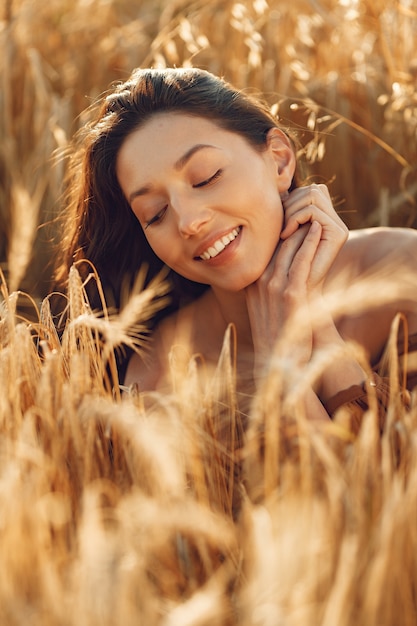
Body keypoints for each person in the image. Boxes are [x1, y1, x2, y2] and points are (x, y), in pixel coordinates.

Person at [54, 67, 417, 429]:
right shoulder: (156, 380)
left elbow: (393, 481)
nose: (187, 221)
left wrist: (316, 329)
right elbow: (336, 485)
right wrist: (282, 367)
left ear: (279, 159)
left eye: (206, 177)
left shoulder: (406, 272)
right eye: (155, 214)